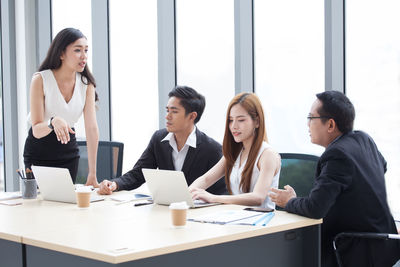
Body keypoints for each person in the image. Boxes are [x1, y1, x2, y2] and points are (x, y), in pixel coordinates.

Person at [269, 91, 400, 267]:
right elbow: (381, 167)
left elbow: (315, 208)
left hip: (355, 250)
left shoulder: (336, 155)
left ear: (330, 124)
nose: (307, 124)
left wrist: (290, 201)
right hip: (384, 244)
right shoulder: (363, 139)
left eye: (311, 117)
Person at [98, 86, 226, 195]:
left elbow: (222, 194)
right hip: (166, 211)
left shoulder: (212, 150)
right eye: (167, 110)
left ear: (192, 116)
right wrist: (114, 184)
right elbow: (138, 174)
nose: (167, 116)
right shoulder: (159, 139)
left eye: (174, 112)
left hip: (200, 216)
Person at [23, 28, 99, 186]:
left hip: (68, 153)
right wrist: (52, 122)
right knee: (39, 204)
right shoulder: (41, 79)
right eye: (77, 50)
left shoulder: (86, 85)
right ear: (61, 53)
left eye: (86, 50)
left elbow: (91, 128)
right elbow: (36, 129)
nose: (84, 56)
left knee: (64, 205)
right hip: (39, 151)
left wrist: (92, 173)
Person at [189, 92, 280, 208]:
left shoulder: (267, 154)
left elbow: (258, 197)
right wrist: (186, 195)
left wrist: (213, 198)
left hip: (261, 222)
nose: (234, 126)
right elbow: (206, 179)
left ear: (257, 122)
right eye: (231, 120)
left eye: (241, 120)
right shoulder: (235, 152)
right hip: (235, 218)